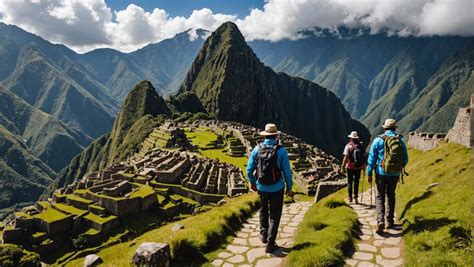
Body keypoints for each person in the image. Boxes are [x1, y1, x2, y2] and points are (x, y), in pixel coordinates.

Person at [246, 123, 293, 253]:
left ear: (265, 135)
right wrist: (289, 188)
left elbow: (249, 170)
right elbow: (287, 172)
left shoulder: (256, 149)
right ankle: (271, 243)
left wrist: (253, 183)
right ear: (275, 135)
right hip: (277, 188)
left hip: (261, 187)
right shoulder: (281, 151)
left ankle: (263, 234)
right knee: (275, 214)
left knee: (263, 210)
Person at [367, 119, 408, 234]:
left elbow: (371, 159)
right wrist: (398, 167)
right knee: (391, 196)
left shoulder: (378, 140)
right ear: (395, 128)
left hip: (380, 173)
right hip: (394, 174)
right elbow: (406, 158)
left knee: (380, 196)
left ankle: (380, 221)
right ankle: (390, 221)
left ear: (384, 128)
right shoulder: (400, 140)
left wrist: (369, 173)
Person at [341, 131, 366, 204]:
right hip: (358, 167)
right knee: (356, 182)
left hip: (350, 167)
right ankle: (356, 197)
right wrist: (364, 166)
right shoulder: (360, 146)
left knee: (349, 182)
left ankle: (350, 197)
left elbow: (346, 157)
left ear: (351, 138)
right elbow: (364, 157)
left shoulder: (348, 146)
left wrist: (343, 166)